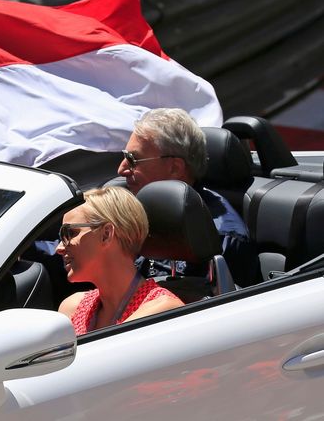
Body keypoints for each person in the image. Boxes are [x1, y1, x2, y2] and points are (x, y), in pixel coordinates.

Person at [116, 108, 260, 286]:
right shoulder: (137, 211)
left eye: (133, 159)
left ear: (175, 167)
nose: (121, 169)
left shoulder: (216, 241)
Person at [57, 186, 183, 334]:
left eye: (70, 233)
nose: (59, 248)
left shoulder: (163, 309)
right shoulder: (72, 307)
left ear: (106, 234)